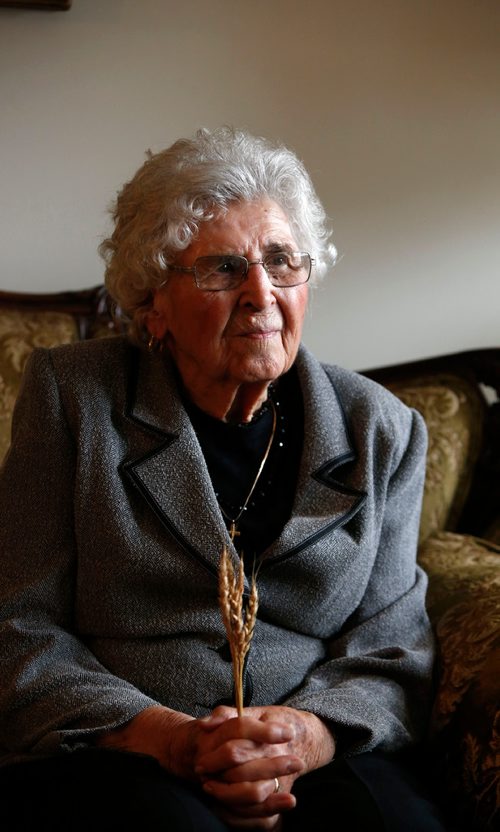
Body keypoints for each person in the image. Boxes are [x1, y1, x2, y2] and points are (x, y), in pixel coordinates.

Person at [0, 127, 451, 831]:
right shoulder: (74, 398)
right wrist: (172, 740)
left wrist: (300, 740)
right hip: (122, 748)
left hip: (316, 755)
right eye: (221, 269)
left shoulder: (381, 429)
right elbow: (19, 627)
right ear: (153, 304)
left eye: (281, 261)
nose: (260, 293)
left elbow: (394, 650)